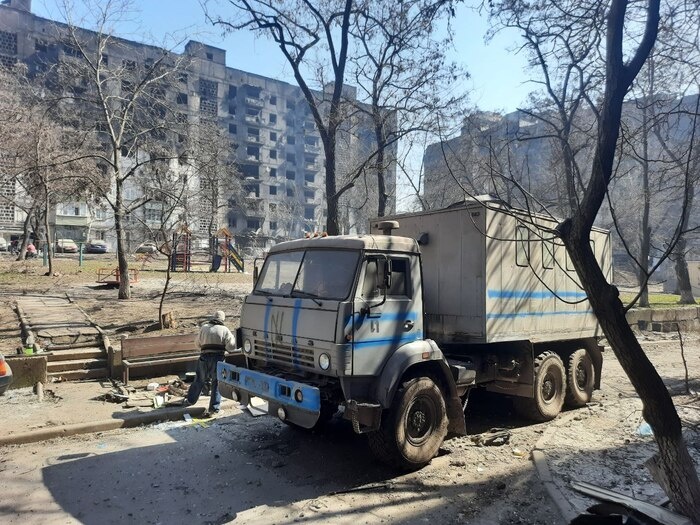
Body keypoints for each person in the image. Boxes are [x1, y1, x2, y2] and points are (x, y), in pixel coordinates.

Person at [185, 310, 236, 415]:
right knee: (217, 383)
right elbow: (231, 346)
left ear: (213, 317)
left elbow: (197, 344)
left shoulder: (204, 328)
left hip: (204, 357)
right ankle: (214, 408)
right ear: (223, 319)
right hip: (218, 359)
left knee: (199, 379)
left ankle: (190, 400)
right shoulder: (225, 330)